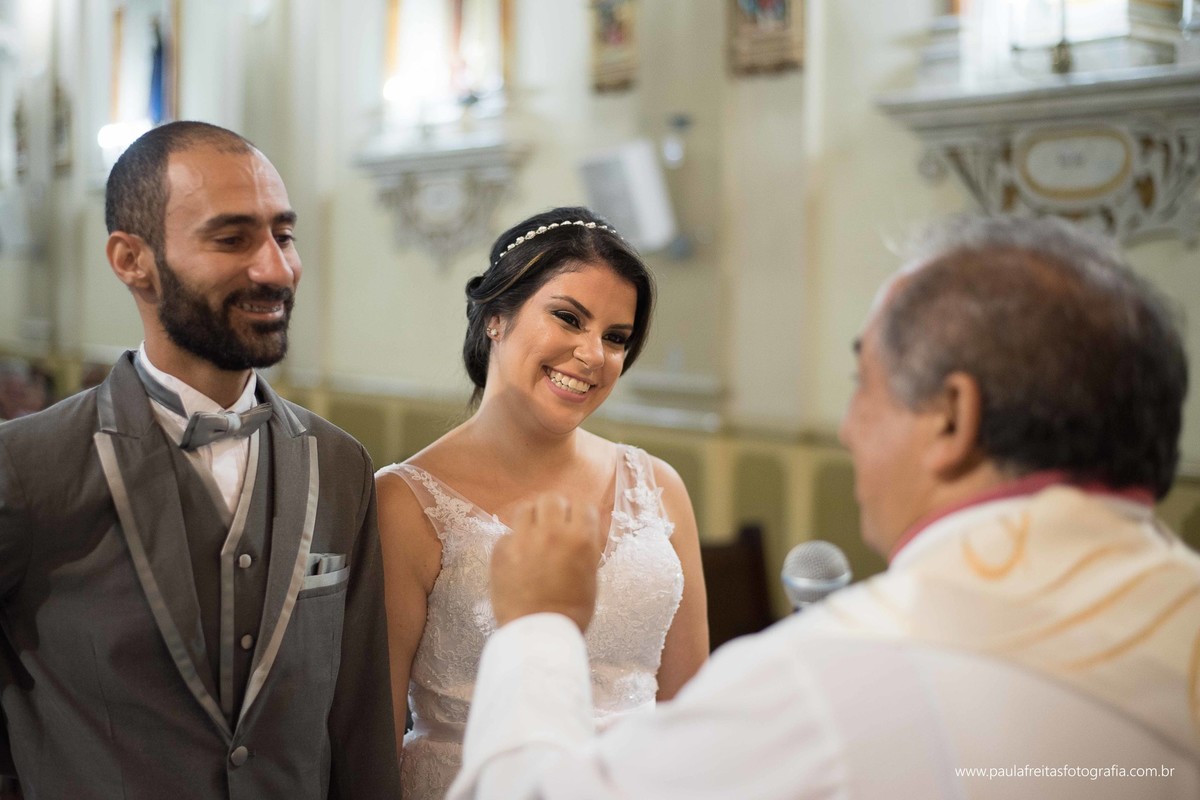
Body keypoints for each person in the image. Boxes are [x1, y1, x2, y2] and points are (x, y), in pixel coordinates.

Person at [447, 214, 1200, 800]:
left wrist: (539, 624)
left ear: (951, 418)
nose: (846, 430)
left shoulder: (832, 681)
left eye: (864, 384)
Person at [0, 121, 400, 799]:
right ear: (132, 259)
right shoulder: (27, 467)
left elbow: (360, 723)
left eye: (284, 235)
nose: (275, 269)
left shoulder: (340, 464)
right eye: (232, 239)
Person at [375, 206, 710, 798]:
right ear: (496, 316)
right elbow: (374, 739)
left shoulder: (659, 487)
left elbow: (691, 715)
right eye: (568, 318)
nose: (593, 355)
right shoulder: (403, 502)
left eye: (616, 338)